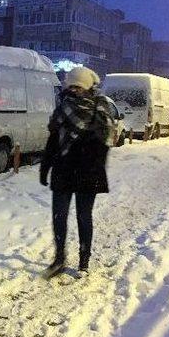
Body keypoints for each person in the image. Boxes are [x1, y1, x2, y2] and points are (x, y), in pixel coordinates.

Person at [39, 67, 115, 279]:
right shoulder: (62, 108)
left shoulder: (100, 109)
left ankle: (84, 260)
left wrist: (94, 161)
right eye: (71, 86)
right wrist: (45, 167)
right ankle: (59, 258)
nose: (74, 90)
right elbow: (52, 141)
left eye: (78, 86)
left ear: (88, 87)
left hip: (87, 171)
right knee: (59, 216)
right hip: (63, 169)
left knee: (84, 216)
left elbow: (105, 144)